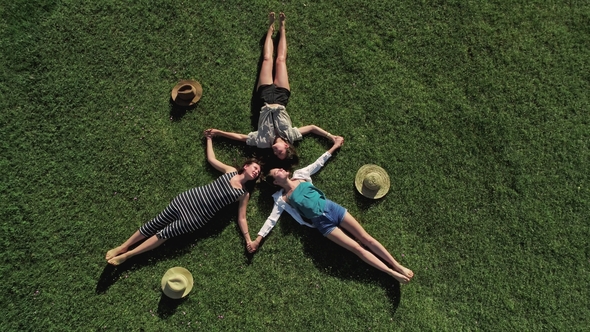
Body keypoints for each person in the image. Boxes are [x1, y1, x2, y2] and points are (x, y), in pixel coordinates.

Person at [247, 137, 414, 284]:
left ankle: (397, 264)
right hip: (323, 225)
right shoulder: (282, 199)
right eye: (278, 172)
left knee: (365, 238)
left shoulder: (300, 175)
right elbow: (271, 220)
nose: (282, 169)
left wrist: (334, 146)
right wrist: (257, 240)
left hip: (332, 208)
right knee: (357, 248)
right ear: (276, 182)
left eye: (280, 169)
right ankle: (391, 273)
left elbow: (318, 163)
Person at [105, 131, 261, 265]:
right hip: (185, 200)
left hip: (196, 217)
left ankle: (128, 255)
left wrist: (248, 240)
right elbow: (212, 160)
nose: (256, 172)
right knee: (156, 222)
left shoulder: (243, 194)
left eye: (258, 173)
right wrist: (209, 139)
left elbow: (242, 218)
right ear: (246, 166)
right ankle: (123, 246)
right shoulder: (230, 170)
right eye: (255, 168)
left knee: (164, 234)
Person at [206, 12, 338, 163]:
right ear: (287, 146)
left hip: (264, 97)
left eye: (276, 154)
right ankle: (282, 28)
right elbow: (313, 128)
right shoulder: (291, 136)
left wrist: (219, 133)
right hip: (282, 98)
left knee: (267, 59)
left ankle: (270, 29)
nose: (275, 151)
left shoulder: (262, 142)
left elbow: (241, 138)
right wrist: (331, 136)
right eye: (280, 152)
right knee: (281, 60)